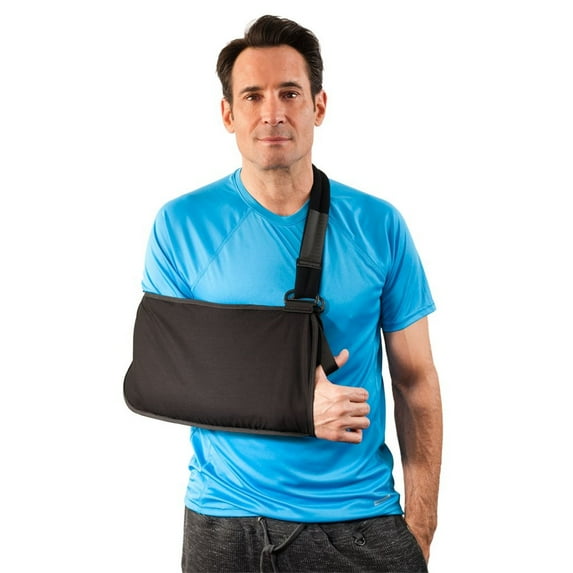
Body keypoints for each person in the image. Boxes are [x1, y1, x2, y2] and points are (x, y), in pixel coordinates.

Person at [139, 14, 442, 573]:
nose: (272, 112)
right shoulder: (181, 225)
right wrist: (296, 407)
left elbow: (415, 381)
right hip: (226, 521)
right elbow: (162, 380)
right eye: (252, 96)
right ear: (228, 114)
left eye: (290, 93)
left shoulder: (378, 225)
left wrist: (421, 527)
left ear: (318, 106)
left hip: (360, 521)